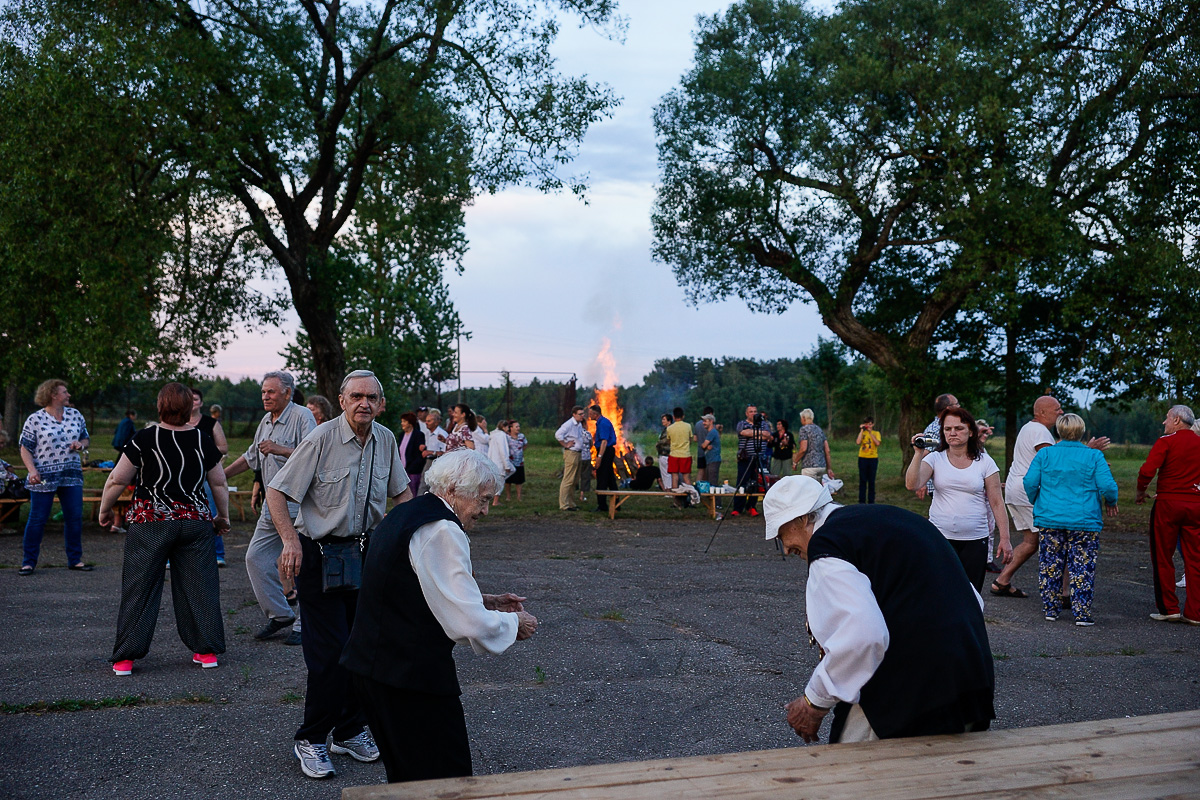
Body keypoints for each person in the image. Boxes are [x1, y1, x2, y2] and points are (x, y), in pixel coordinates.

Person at [341, 448, 537, 783]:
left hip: (376, 671)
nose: (486, 511)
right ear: (454, 490)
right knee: (446, 779)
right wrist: (514, 623)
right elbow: (467, 623)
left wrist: (485, 599)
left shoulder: (407, 513)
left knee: (408, 779)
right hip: (408, 679)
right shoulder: (441, 529)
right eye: (483, 499)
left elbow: (418, 586)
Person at [764, 476, 995, 743]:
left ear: (802, 519)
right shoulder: (894, 519)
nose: (786, 547)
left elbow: (863, 635)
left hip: (911, 697)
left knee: (850, 775)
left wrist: (814, 701)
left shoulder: (828, 543)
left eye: (782, 534)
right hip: (971, 683)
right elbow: (972, 599)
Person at [268, 370, 412, 779]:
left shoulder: (385, 439)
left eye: (371, 397)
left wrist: (409, 532)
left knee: (364, 648)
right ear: (342, 399)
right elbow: (279, 491)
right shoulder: (320, 438)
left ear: (381, 404)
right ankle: (311, 738)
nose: (363, 403)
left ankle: (348, 729)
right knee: (329, 656)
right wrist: (289, 542)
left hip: (367, 555)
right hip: (319, 556)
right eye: (356, 397)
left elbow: (401, 493)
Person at [100, 383, 231, 675]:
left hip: (150, 522)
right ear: (189, 408)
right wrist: (222, 517)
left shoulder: (143, 438)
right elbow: (219, 482)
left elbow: (117, 480)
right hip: (195, 521)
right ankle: (207, 652)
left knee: (140, 587)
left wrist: (105, 510)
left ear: (160, 406)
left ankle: (125, 659)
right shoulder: (201, 438)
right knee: (201, 587)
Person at [223, 371, 316, 644]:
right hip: (271, 505)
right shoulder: (265, 421)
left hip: (299, 503)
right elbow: (250, 457)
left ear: (287, 392)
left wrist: (279, 448)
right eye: (263, 391)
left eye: (271, 391)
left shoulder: (302, 416)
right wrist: (218, 476)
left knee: (300, 564)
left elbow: (312, 454)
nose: (265, 396)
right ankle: (280, 614)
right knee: (256, 558)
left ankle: (304, 624)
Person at [995, 396, 1109, 600]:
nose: (1061, 412)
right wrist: (1088, 452)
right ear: (1042, 413)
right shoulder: (1040, 432)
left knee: (1031, 542)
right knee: (1060, 537)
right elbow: (1054, 462)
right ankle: (1063, 594)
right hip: (1028, 491)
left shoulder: (1029, 428)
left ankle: (1002, 581)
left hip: (1016, 488)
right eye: (1057, 409)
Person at [1023, 413, 1119, 626]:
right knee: (1082, 566)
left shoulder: (1045, 454)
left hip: (1050, 518)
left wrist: (1036, 500)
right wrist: (1111, 502)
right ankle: (1082, 612)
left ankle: (1050, 608)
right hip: (1084, 520)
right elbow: (1108, 486)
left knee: (1050, 564)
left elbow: (1030, 481)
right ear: (1082, 432)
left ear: (1058, 431)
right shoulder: (1094, 456)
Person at [905, 406, 1012, 592]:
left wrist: (1005, 538)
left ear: (971, 431)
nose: (952, 433)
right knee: (940, 591)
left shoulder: (985, 462)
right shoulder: (935, 458)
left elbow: (996, 502)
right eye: (947, 429)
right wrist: (917, 453)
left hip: (975, 539)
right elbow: (912, 484)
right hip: (940, 538)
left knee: (971, 593)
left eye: (958, 428)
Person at [17, 379, 91, 575]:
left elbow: (86, 437)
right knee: (38, 518)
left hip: (71, 475)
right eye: (65, 392)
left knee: (74, 517)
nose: (68, 395)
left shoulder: (75, 415)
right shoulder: (35, 419)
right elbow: (25, 448)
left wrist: (81, 445)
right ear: (53, 395)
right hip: (44, 476)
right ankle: (28, 562)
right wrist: (32, 470)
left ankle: (75, 560)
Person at [1136, 404, 1200, 624]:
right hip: (1195, 505)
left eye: (1166, 418)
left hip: (1168, 504)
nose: (1163, 422)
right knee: (1195, 559)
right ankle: (1195, 612)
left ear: (1176, 421)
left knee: (1163, 555)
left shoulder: (1166, 442)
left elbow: (1147, 470)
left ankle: (1169, 608)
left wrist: (1141, 490)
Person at [191, 388, 230, 567]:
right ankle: (174, 557)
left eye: (196, 399)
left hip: (206, 474)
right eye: (189, 399)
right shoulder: (176, 422)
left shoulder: (210, 423)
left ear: (201, 402)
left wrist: (203, 451)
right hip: (181, 477)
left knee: (212, 511)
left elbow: (223, 448)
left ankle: (217, 553)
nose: (193, 402)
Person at [917, 393, 960, 499]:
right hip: (940, 488)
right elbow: (924, 455)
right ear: (948, 408)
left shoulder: (946, 426)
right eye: (957, 404)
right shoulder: (935, 430)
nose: (959, 407)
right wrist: (921, 482)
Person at [732, 405, 772, 518]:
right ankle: (738, 507)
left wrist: (754, 433)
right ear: (746, 413)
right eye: (751, 412)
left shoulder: (764, 424)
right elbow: (743, 433)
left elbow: (768, 435)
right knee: (742, 482)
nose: (753, 413)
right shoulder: (741, 424)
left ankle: (752, 506)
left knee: (756, 482)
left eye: (755, 411)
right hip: (745, 458)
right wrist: (760, 434)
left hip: (759, 457)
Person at [555, 406, 586, 512]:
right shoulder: (568, 424)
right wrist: (565, 444)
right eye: (580, 414)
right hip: (571, 453)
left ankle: (571, 503)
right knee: (568, 479)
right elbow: (558, 434)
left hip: (578, 453)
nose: (582, 416)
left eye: (583, 414)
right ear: (574, 414)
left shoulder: (579, 425)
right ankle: (564, 504)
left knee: (574, 480)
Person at [590, 404, 618, 512]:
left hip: (605, 451)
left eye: (590, 413)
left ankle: (602, 505)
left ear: (595, 414)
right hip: (606, 450)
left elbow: (604, 441)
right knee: (610, 478)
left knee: (602, 477)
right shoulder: (601, 422)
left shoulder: (603, 423)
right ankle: (616, 503)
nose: (589, 415)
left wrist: (599, 457)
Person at [793, 409, 834, 481]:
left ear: (803, 418)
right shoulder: (819, 429)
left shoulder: (804, 429)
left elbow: (803, 449)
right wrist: (829, 468)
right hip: (821, 466)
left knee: (808, 490)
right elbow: (827, 450)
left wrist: (795, 462)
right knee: (817, 490)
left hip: (809, 466)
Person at [666, 407, 694, 491]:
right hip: (685, 455)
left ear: (673, 417)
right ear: (683, 416)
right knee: (686, 477)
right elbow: (690, 440)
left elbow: (669, 441)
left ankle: (676, 501)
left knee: (674, 477)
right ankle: (690, 498)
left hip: (674, 455)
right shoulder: (688, 426)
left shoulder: (669, 428)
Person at [487, 419, 514, 505]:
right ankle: (495, 501)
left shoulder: (493, 435)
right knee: (501, 481)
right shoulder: (502, 435)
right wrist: (506, 465)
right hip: (500, 462)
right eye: (507, 427)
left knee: (497, 479)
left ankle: (492, 497)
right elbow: (504, 451)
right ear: (503, 427)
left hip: (492, 460)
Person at [399, 412, 426, 497]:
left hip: (413, 471)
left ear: (410, 423)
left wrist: (411, 468)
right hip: (403, 470)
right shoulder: (401, 435)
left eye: (404, 421)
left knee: (413, 493)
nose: (402, 423)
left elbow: (419, 455)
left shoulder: (418, 435)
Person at [856, 417, 881, 504]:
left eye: (870, 424)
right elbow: (858, 442)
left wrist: (870, 433)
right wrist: (862, 430)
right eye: (866, 424)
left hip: (873, 458)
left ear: (873, 424)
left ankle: (871, 500)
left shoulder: (876, 433)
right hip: (863, 457)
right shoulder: (863, 433)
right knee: (862, 480)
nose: (868, 426)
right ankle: (861, 500)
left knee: (871, 480)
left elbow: (877, 443)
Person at [504, 420, 527, 502]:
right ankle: (508, 496)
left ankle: (519, 497)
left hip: (519, 461)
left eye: (519, 426)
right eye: (516, 427)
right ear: (511, 428)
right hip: (510, 461)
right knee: (508, 480)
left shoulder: (522, 436)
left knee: (519, 481)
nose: (518, 428)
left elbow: (525, 444)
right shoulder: (506, 437)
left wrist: (520, 452)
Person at [693, 405, 714, 484]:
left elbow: (695, 439)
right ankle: (708, 489)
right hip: (710, 452)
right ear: (711, 414)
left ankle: (698, 487)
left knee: (701, 471)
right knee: (709, 472)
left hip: (700, 451)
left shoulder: (697, 424)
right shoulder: (711, 425)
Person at [699, 413, 721, 487]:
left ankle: (716, 498)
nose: (703, 423)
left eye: (705, 421)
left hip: (713, 460)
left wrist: (704, 445)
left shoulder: (712, 432)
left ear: (711, 421)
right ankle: (711, 497)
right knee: (710, 480)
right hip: (711, 460)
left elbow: (703, 445)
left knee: (713, 482)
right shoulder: (712, 432)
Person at [655, 413, 672, 491]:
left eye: (664, 419)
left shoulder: (669, 430)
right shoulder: (666, 429)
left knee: (666, 473)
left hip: (666, 454)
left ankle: (668, 490)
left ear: (669, 421)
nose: (662, 421)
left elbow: (665, 441)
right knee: (667, 473)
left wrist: (658, 443)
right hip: (664, 454)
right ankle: (668, 488)